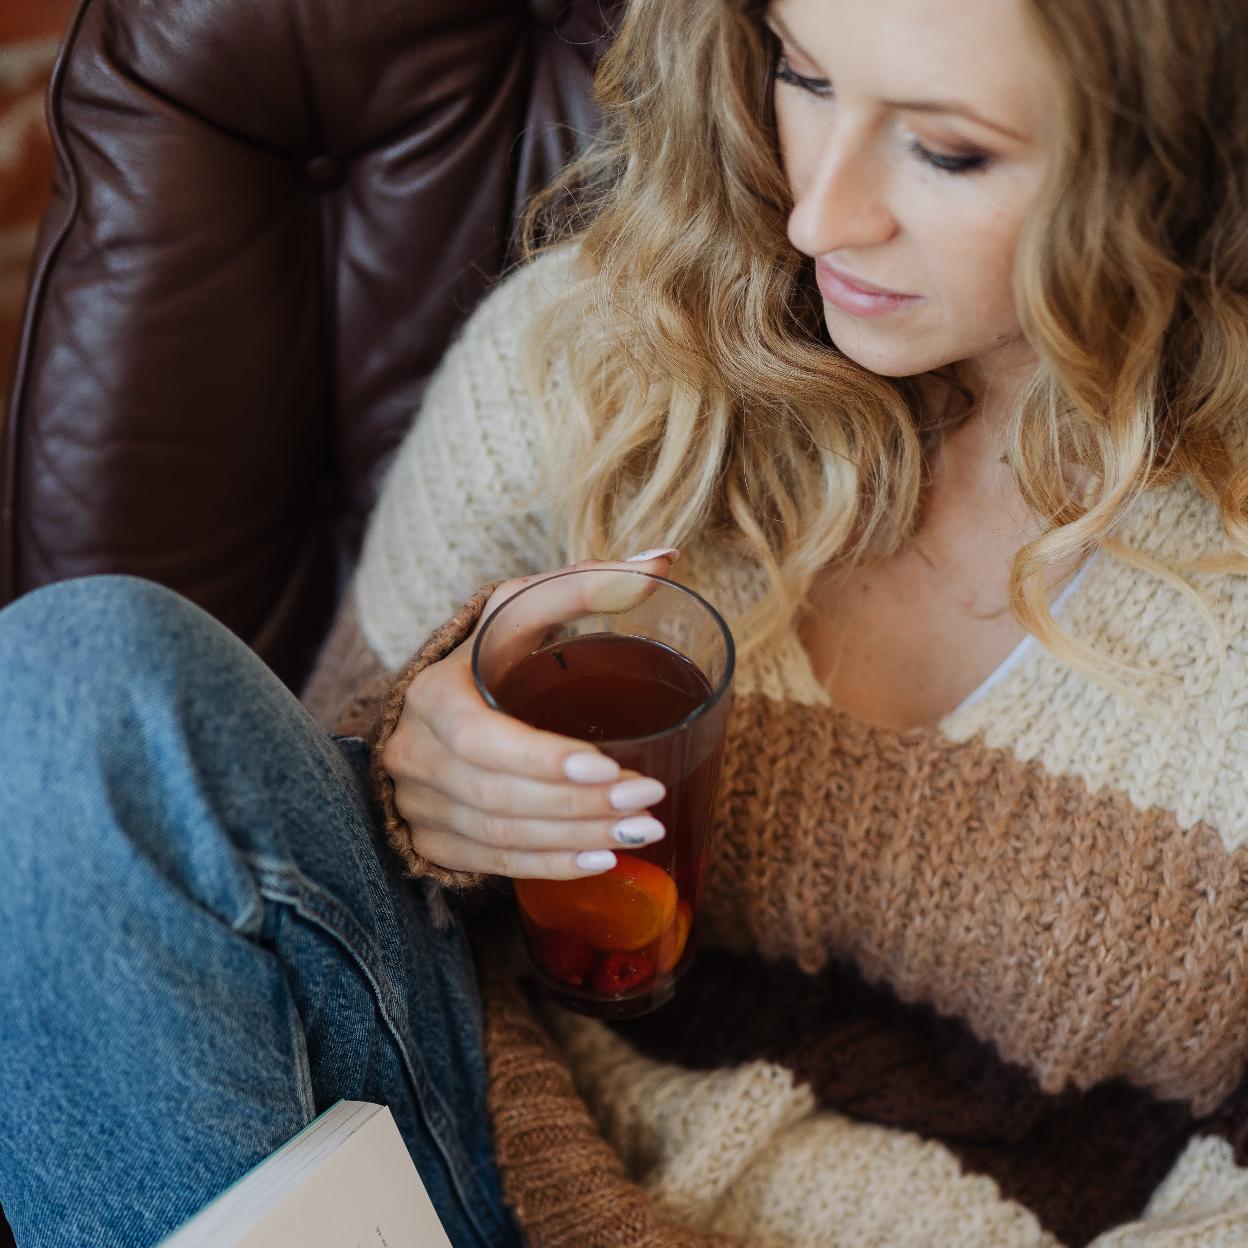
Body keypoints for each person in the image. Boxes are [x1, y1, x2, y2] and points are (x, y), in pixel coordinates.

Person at [3, 0, 1248, 1243]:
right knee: (63, 686)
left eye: (948, 150)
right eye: (802, 76)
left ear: (1177, 159)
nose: (818, 211)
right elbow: (295, 875)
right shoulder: (589, 351)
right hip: (474, 1172)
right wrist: (410, 779)